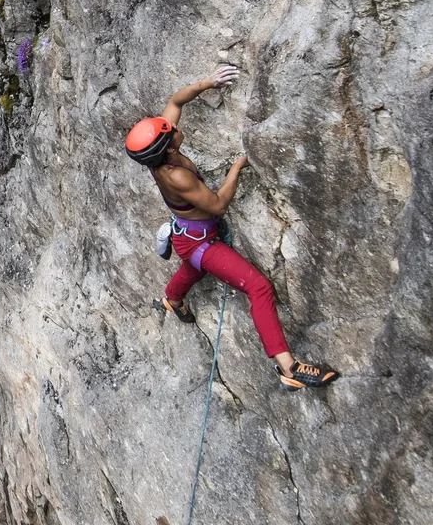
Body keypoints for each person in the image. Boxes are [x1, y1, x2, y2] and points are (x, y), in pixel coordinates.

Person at [124, 66, 338, 390]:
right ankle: (289, 368)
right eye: (171, 131)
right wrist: (237, 166)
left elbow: (176, 102)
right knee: (258, 287)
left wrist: (207, 83)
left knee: (192, 268)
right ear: (168, 147)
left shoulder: (161, 155)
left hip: (188, 238)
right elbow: (218, 205)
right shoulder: (175, 175)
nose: (176, 127)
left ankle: (172, 299)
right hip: (199, 243)